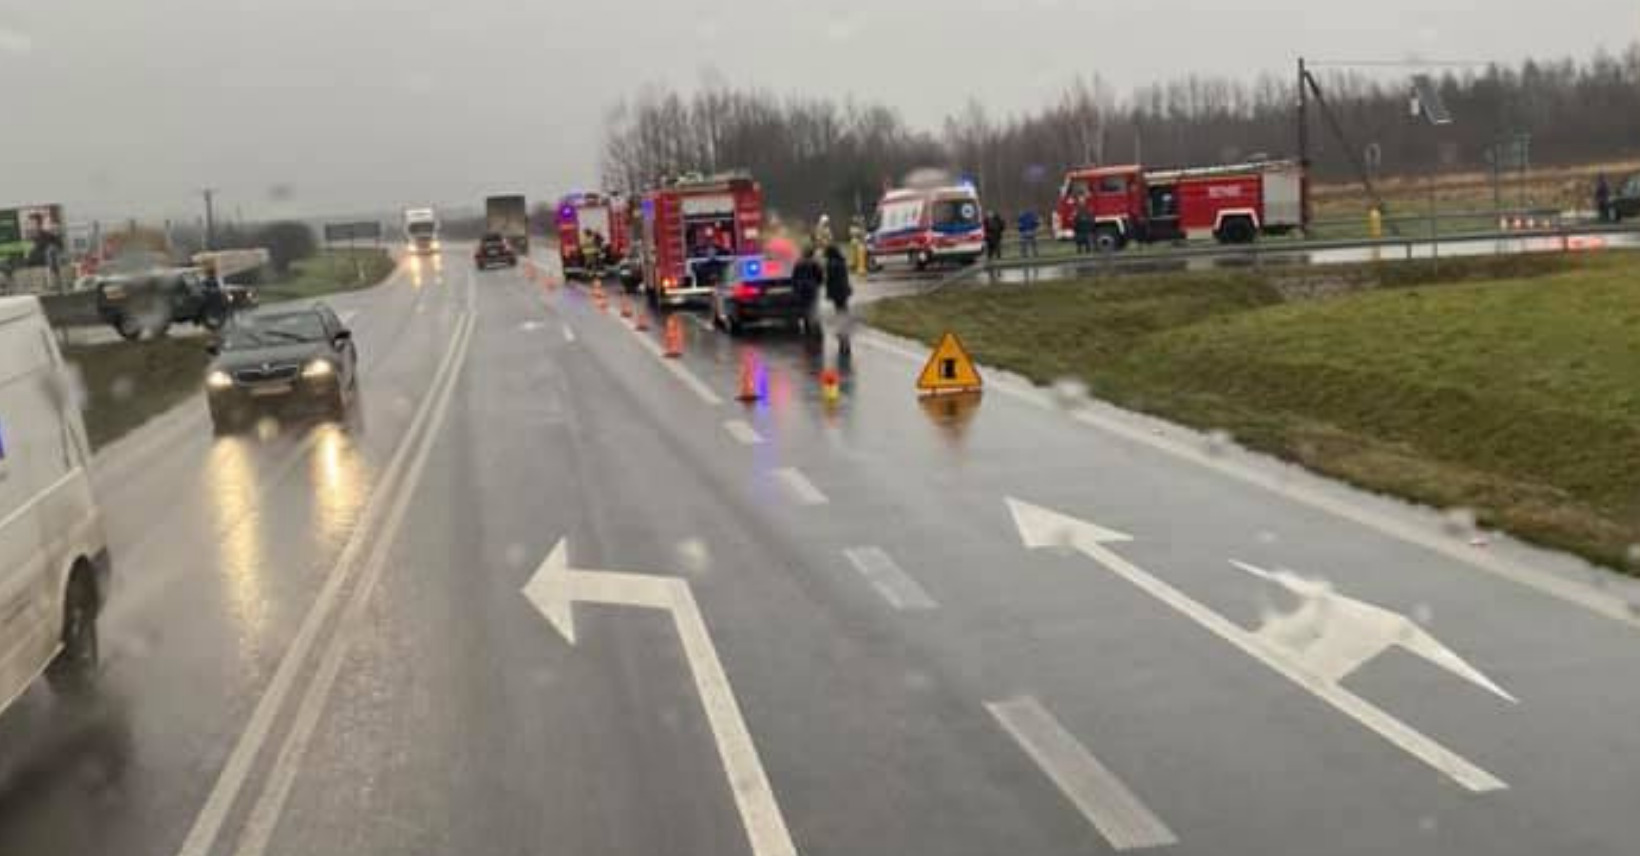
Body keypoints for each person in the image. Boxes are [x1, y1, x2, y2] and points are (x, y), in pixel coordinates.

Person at [823, 245, 852, 353]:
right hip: (844, 291)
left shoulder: (831, 264)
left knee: (839, 314)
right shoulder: (842, 262)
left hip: (836, 293)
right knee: (843, 312)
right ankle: (846, 341)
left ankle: (842, 342)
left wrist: (828, 293)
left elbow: (829, 281)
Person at [792, 247, 824, 338]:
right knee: (813, 307)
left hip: (802, 288)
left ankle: (807, 326)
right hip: (812, 287)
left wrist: (796, 287)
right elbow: (819, 275)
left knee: (804, 307)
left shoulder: (798, 263)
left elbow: (795, 276)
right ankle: (815, 327)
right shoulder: (814, 263)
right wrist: (818, 284)